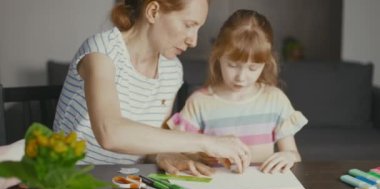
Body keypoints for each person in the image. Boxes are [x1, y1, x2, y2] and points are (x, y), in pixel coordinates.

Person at [53, 0, 250, 175]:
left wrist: (163, 155)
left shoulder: (172, 70)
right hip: (71, 180)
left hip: (127, 180)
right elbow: (109, 132)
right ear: (153, 11)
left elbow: (150, 142)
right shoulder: (101, 51)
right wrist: (206, 142)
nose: (193, 40)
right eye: (189, 25)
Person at [166, 9, 308, 174]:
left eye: (252, 68)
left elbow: (293, 153)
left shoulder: (275, 99)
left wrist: (288, 156)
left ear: (266, 63)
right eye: (232, 65)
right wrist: (200, 155)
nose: (241, 77)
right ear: (218, 56)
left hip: (261, 188)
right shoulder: (199, 102)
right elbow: (175, 149)